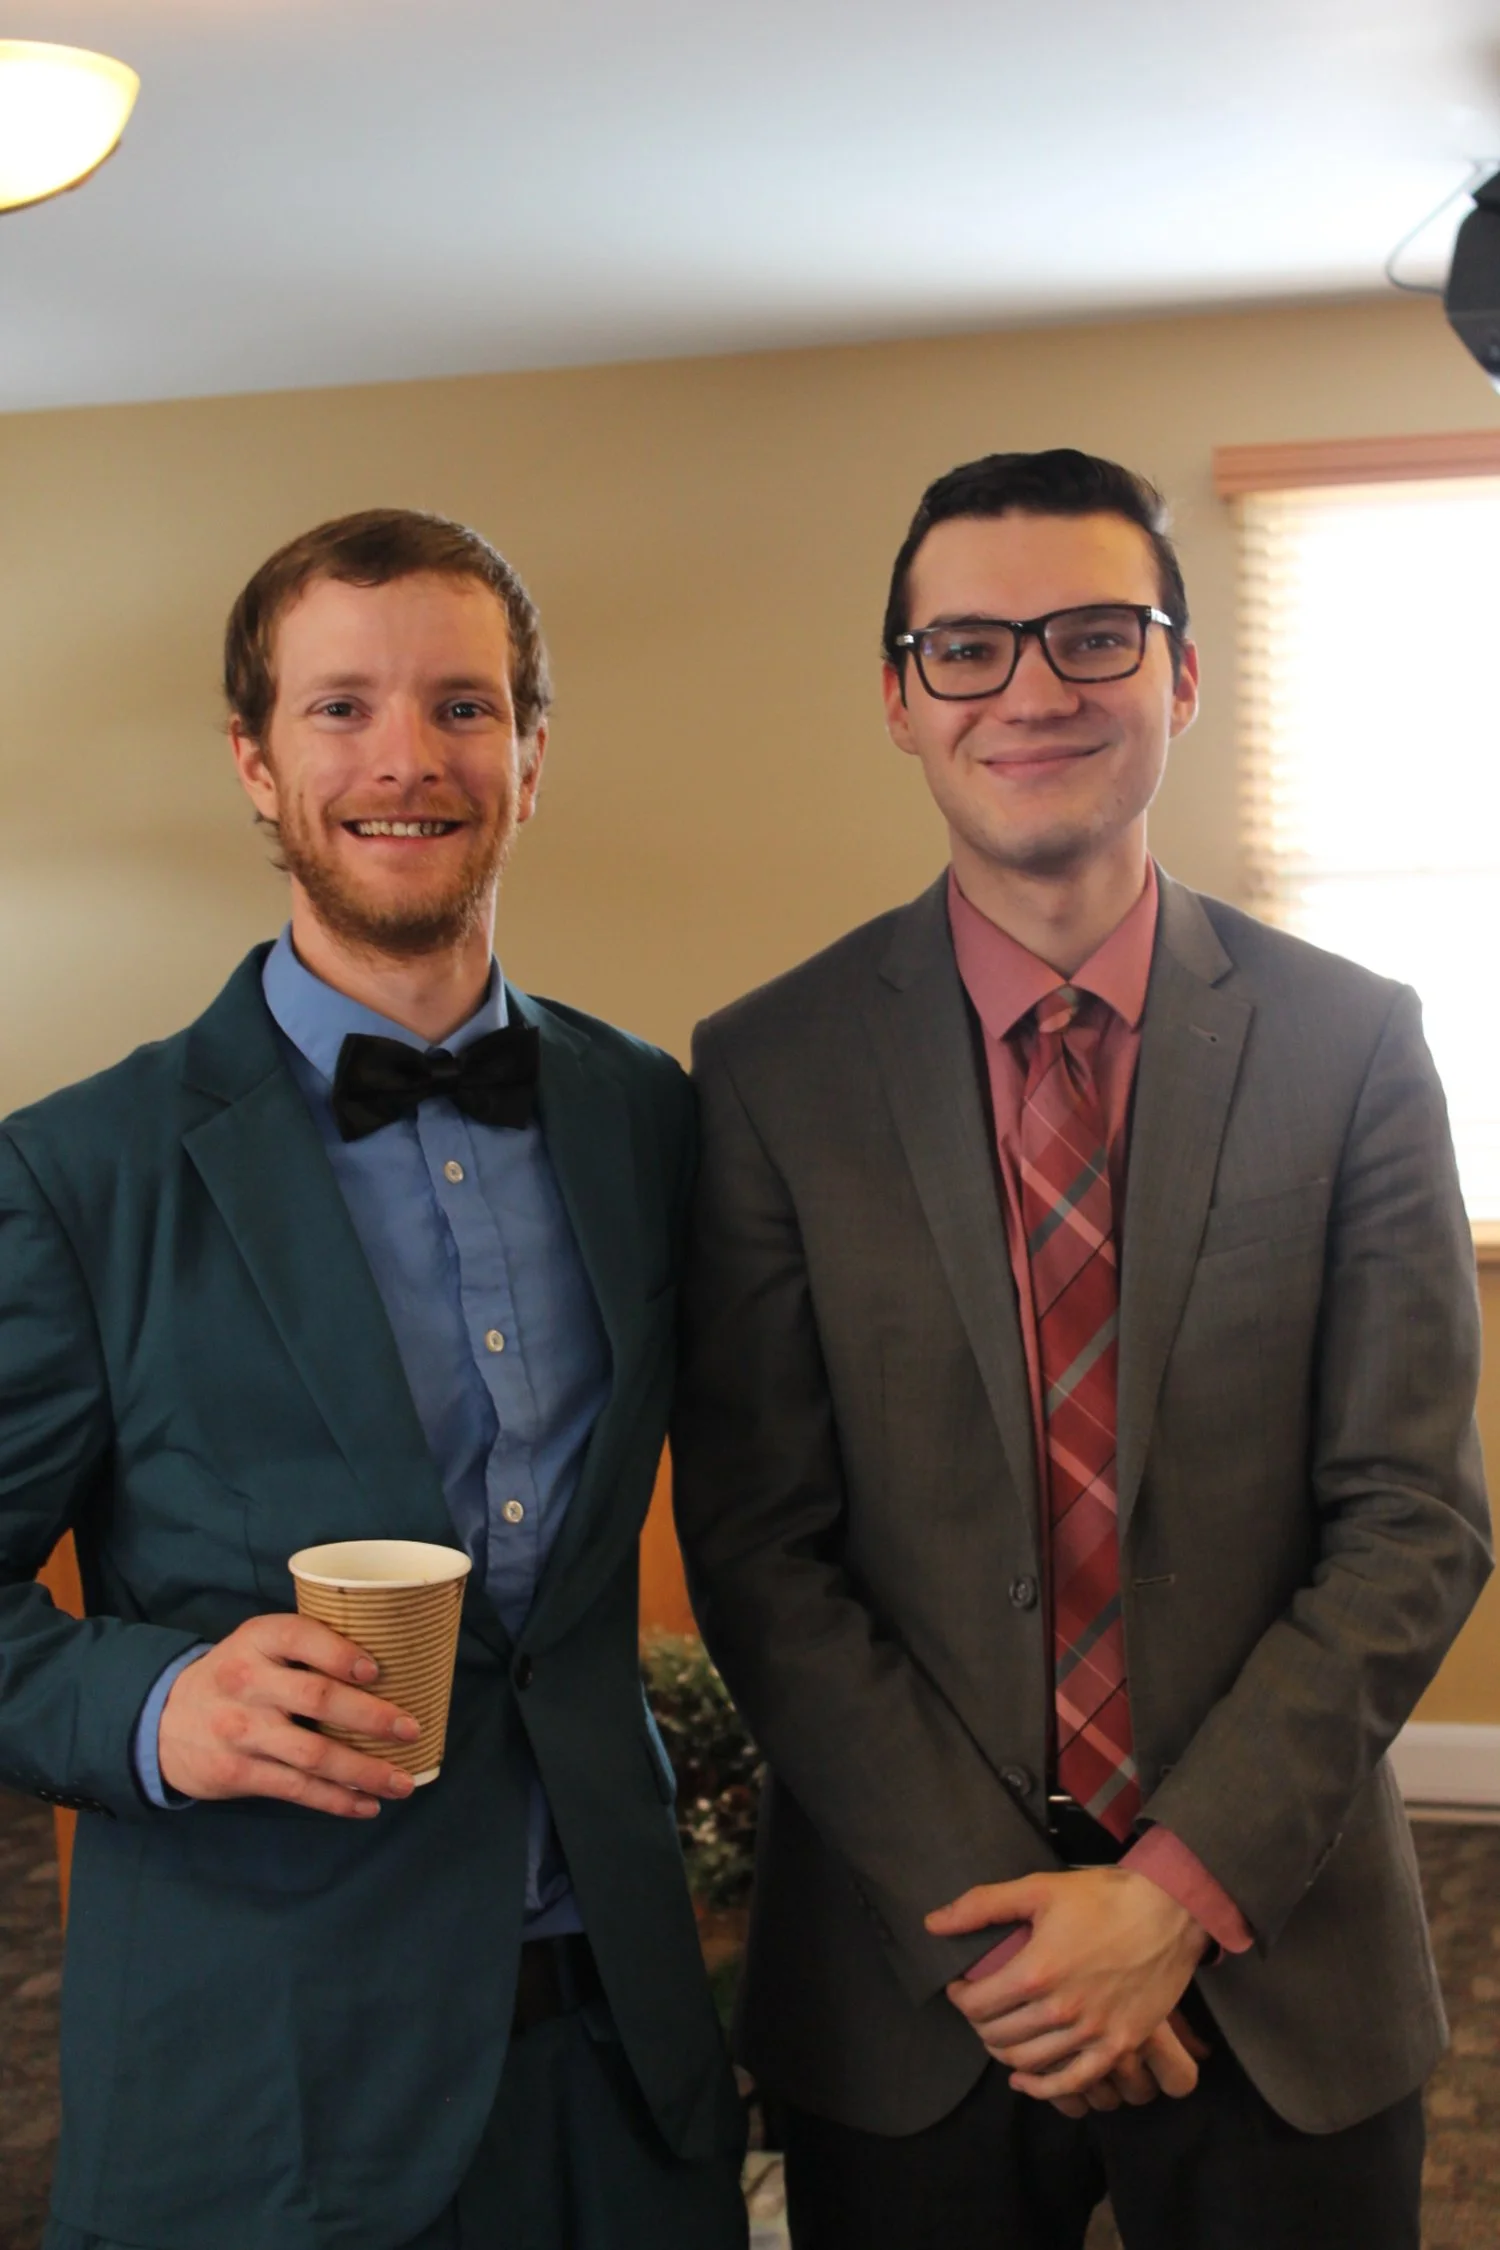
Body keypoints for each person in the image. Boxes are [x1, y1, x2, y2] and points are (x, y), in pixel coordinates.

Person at [672, 448, 1493, 2249]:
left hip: (1282, 1962)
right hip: (919, 1981)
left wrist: (1172, 1895)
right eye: (966, 646)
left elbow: (1412, 1520)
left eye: (1094, 635)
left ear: (1183, 676)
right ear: (899, 699)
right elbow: (760, 1542)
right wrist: (1021, 1920)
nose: (1034, 687)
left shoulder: (1355, 1045)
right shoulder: (768, 1070)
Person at [0, 508, 746, 2250]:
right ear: (255, 764)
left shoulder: (653, 1117)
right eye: (341, 708)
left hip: (620, 2061)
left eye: (462, 707)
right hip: (262, 2088)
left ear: (531, 757)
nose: (406, 758)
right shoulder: (78, 1171)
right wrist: (152, 1708)